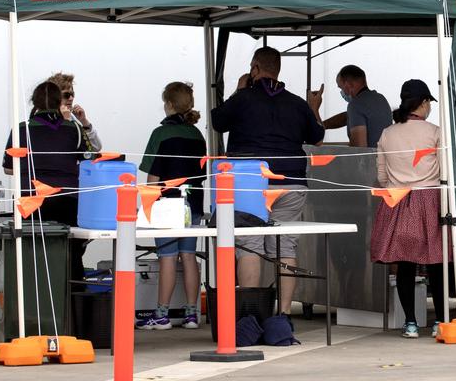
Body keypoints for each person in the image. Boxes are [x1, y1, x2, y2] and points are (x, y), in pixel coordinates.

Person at [211, 47, 325, 315]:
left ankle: (250, 315)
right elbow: (317, 137)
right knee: (285, 245)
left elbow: (218, 122)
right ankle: (283, 314)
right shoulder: (297, 103)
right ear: (279, 69)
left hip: (252, 184)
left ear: (255, 68)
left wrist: (239, 91)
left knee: (250, 244)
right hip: (291, 182)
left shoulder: (243, 99)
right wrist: (314, 108)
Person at [371, 79, 446, 339]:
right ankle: (440, 322)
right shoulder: (436, 132)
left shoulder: (387, 133)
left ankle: (411, 324)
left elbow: (381, 176)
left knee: (405, 264)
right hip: (431, 199)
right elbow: (446, 171)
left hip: (397, 199)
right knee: (437, 262)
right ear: (424, 103)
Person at [136, 82, 208, 331]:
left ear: (167, 104)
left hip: (167, 204)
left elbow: (152, 178)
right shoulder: (198, 135)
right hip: (194, 203)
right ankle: (191, 314)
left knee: (167, 257)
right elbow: (201, 174)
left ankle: (162, 314)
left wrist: (147, 206)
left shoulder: (160, 134)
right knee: (188, 256)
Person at [2, 81, 88, 284]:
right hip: (67, 198)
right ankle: (71, 304)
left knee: (31, 251)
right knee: (71, 251)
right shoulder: (73, 128)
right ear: (59, 102)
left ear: (35, 101)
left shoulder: (21, 129)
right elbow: (88, 160)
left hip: (30, 199)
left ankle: (31, 300)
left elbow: (8, 167)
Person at [321, 64, 393, 147]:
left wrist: (314, 107)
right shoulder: (380, 99)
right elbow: (346, 117)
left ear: (348, 85)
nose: (342, 92)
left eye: (341, 88)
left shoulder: (355, 105)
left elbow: (359, 150)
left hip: (371, 159)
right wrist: (321, 125)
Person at [47, 72, 102, 152]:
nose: (71, 98)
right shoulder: (46, 118)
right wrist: (66, 123)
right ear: (54, 96)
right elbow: (61, 150)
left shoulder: (71, 117)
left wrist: (84, 121)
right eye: (66, 95)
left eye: (72, 94)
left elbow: (96, 148)